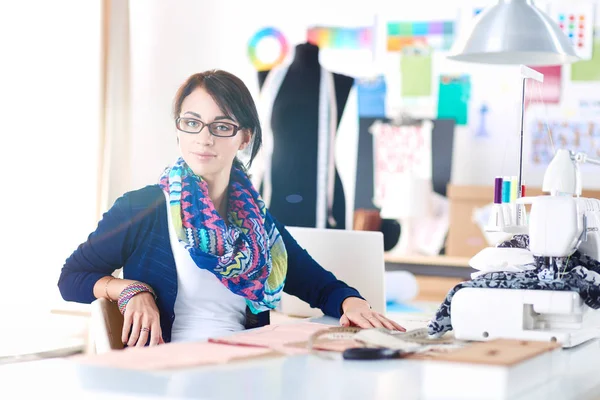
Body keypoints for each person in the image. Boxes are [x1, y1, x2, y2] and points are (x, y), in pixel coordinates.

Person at [58, 70, 404, 347]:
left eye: (221, 126)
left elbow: (321, 287)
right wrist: (130, 289)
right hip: (169, 373)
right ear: (178, 128)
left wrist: (352, 303)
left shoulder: (257, 224)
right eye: (192, 122)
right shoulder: (142, 207)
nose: (203, 138)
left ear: (245, 137)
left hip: (246, 366)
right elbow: (71, 278)